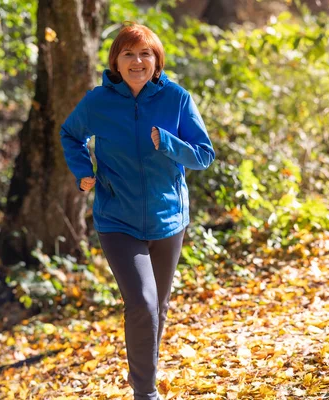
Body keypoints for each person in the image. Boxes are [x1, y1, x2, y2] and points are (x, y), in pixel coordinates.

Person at [59, 22, 215, 400]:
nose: (137, 61)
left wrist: (169, 144)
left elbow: (204, 155)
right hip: (117, 219)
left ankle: (146, 374)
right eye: (128, 54)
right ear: (116, 61)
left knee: (157, 308)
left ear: (156, 61)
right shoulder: (98, 102)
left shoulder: (175, 98)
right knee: (142, 303)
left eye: (145, 53)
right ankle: (145, 392)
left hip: (168, 219)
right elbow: (70, 133)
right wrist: (84, 172)